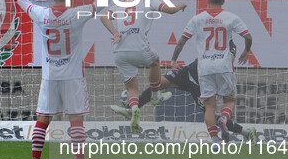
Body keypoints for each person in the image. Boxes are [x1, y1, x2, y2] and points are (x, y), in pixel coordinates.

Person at [17, 0, 97, 159]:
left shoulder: (42, 14)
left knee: (43, 118)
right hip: (73, 77)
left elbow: (22, 2)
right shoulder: (78, 13)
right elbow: (104, 5)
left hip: (50, 76)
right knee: (76, 118)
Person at [110, 43, 258, 143]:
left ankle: (243, 132)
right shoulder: (229, 44)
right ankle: (133, 108)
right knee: (159, 84)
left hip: (194, 73)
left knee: (208, 112)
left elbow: (184, 40)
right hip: (196, 75)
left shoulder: (213, 35)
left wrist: (174, 59)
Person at [101, 0, 185, 132]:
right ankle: (155, 96)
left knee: (132, 87)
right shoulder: (148, 0)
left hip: (119, 52)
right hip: (139, 47)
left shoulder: (120, 4)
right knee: (155, 61)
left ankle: (134, 109)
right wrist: (180, 6)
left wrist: (115, 33)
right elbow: (170, 10)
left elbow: (103, 16)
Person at [171, 0, 252, 145]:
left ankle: (215, 141)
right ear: (223, 1)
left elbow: (182, 41)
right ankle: (224, 118)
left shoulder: (197, 19)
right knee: (229, 100)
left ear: (207, 0)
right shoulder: (231, 17)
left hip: (205, 68)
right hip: (224, 65)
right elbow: (248, 36)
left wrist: (174, 59)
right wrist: (246, 50)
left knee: (209, 107)